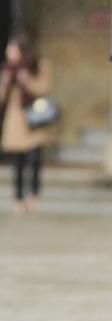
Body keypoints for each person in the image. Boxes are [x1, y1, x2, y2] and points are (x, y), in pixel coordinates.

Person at [1, 34, 53, 215]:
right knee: (18, 163)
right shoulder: (8, 70)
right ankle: (18, 199)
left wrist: (27, 80)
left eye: (12, 49)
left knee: (35, 159)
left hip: (33, 118)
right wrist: (6, 82)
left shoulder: (39, 66)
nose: (8, 52)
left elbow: (44, 89)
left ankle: (34, 195)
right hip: (15, 120)